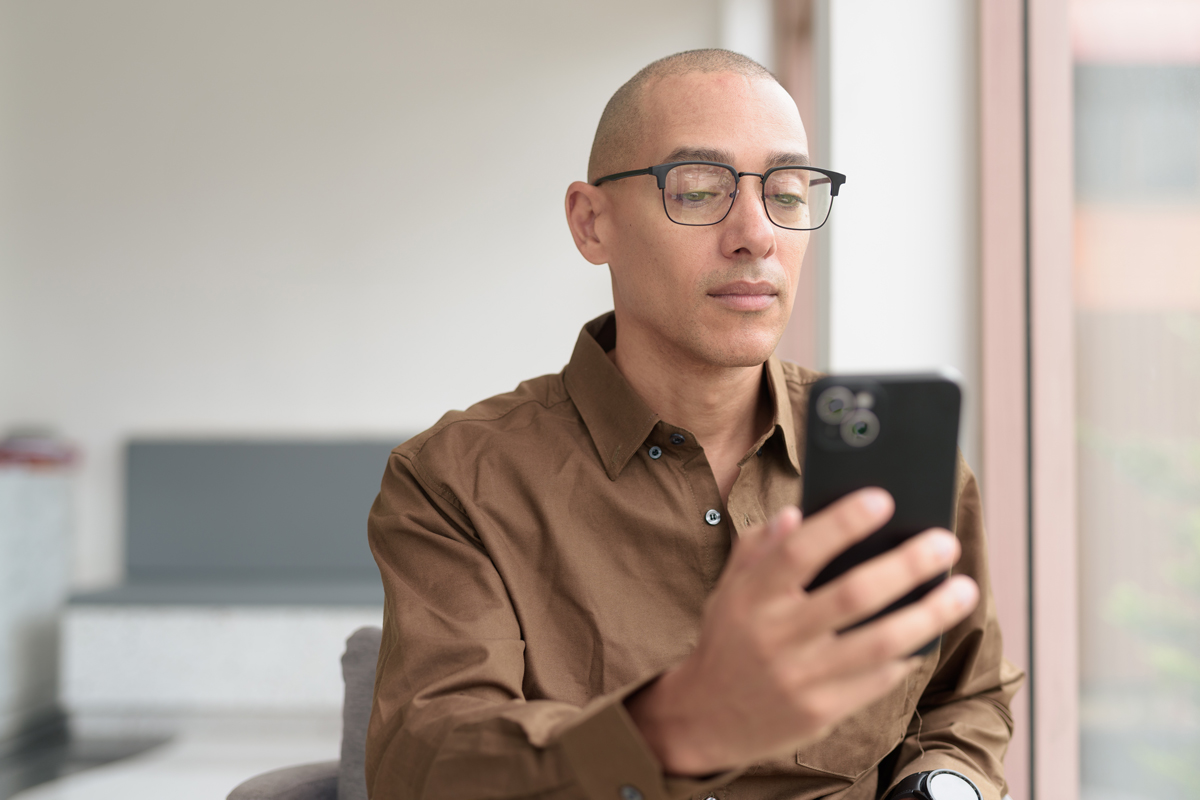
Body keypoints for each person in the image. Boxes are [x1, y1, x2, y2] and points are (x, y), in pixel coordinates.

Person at [366, 49, 1022, 800]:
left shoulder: (895, 463)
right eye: (701, 189)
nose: (756, 235)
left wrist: (942, 785)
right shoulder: (455, 480)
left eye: (788, 190)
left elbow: (965, 695)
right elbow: (428, 770)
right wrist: (683, 724)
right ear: (591, 223)